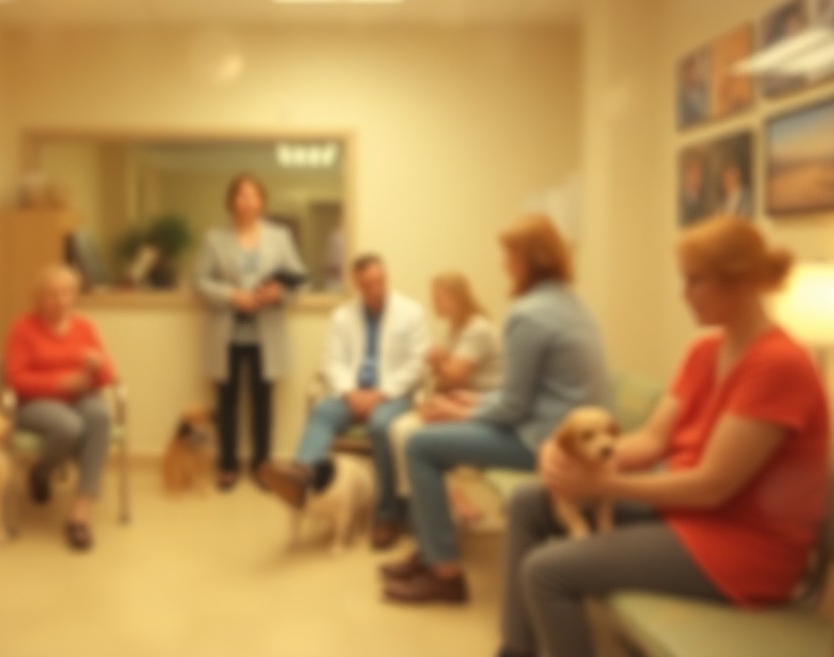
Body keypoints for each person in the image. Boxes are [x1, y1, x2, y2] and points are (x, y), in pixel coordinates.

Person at [492, 216, 829, 657]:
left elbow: (711, 487)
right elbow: (651, 441)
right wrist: (566, 455)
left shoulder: (778, 365)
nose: (683, 294)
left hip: (741, 549)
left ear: (742, 283)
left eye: (695, 282)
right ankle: (515, 650)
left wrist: (602, 485)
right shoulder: (705, 351)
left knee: (547, 572)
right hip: (687, 517)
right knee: (529, 502)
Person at [382, 215, 610, 603]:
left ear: (528, 259)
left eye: (508, 255)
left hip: (549, 440)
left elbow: (514, 407)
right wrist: (472, 402)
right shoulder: (570, 303)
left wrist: (457, 411)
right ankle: (431, 549)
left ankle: (445, 572)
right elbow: (526, 394)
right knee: (425, 437)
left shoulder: (529, 313)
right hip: (560, 428)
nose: (503, 265)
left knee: (421, 444)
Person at [258, 254, 429, 549]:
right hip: (351, 394)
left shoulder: (411, 313)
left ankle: (386, 514)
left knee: (380, 426)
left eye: (378, 281)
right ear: (356, 284)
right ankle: (301, 477)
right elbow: (332, 360)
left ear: (385, 278)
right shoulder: (342, 315)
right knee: (323, 411)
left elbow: (417, 364)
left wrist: (381, 394)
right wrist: (351, 393)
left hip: (392, 395)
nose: (373, 288)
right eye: (366, 284)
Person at [194, 174, 306, 491]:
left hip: (266, 334)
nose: (247, 202)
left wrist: (277, 295)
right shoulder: (214, 239)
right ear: (232, 201)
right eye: (241, 195)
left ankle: (261, 464)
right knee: (226, 402)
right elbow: (199, 282)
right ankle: (227, 464)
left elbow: (297, 280)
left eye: (253, 195)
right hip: (225, 333)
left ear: (262, 202)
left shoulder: (280, 236)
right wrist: (233, 296)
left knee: (262, 402)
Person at [5, 264, 117, 552]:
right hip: (35, 403)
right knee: (69, 426)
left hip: (82, 397)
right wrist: (61, 383)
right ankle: (41, 473)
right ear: (38, 298)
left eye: (67, 293)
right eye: (52, 294)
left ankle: (80, 514)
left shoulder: (85, 327)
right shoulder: (23, 328)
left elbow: (108, 376)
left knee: (100, 415)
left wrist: (97, 366)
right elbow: (15, 379)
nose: (60, 300)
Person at [387, 272, 503, 527]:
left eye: (438, 298)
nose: (434, 304)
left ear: (456, 299)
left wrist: (438, 360)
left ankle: (434, 504)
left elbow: (456, 377)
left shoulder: (477, 329)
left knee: (406, 431)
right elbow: (448, 380)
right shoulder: (456, 329)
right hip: (464, 401)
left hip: (484, 407)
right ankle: (426, 503)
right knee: (398, 428)